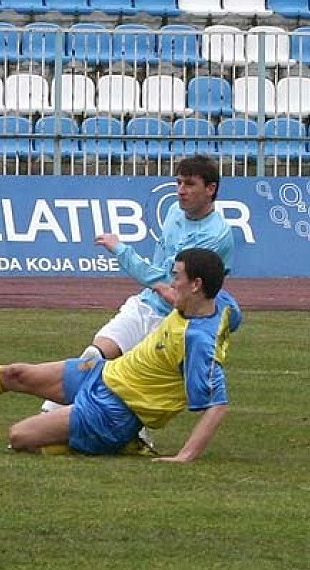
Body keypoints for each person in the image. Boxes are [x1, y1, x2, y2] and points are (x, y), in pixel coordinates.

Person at [0, 248, 242, 461]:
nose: (170, 282)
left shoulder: (198, 341)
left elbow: (218, 404)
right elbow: (231, 315)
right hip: (104, 373)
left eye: (176, 276)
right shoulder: (223, 304)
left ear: (196, 285)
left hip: (114, 410)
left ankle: (123, 443)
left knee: (19, 437)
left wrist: (185, 456)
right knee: (16, 373)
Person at [40, 155, 235, 446]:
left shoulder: (216, 236)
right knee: (95, 354)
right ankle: (49, 416)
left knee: (137, 381)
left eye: (189, 184)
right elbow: (160, 279)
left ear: (211, 189)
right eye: (178, 183)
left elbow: (168, 283)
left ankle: (135, 434)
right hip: (146, 303)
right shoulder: (174, 211)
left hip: (174, 319)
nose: (180, 190)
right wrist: (153, 282)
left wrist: (121, 250)